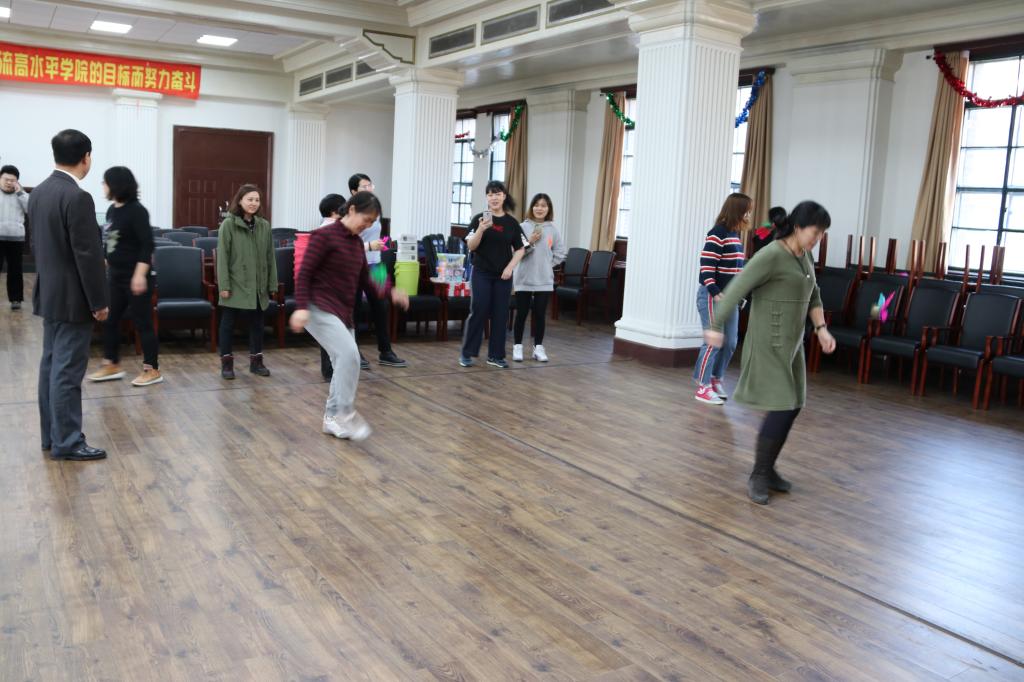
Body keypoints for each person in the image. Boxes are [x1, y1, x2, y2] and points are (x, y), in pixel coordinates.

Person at [704, 200, 837, 505]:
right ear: (798, 227)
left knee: (794, 404)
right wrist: (715, 325)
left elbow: (814, 295)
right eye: (815, 232)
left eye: (822, 234)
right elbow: (737, 288)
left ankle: (769, 468)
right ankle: (759, 474)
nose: (818, 239)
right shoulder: (771, 255)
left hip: (792, 345)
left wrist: (821, 329)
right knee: (781, 406)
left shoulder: (805, 256)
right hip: (768, 343)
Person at [289, 191, 409, 441]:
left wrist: (390, 290)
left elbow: (367, 279)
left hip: (342, 311)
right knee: (349, 356)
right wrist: (301, 307)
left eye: (372, 222)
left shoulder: (355, 243)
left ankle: (332, 417)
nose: (368, 225)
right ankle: (344, 414)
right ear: (352, 210)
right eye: (366, 219)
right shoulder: (324, 236)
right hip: (318, 306)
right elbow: (304, 273)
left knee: (343, 363)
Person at [30, 129, 109, 461]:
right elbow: (88, 256)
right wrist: (99, 302)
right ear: (86, 158)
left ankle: (52, 436)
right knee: (66, 372)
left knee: (51, 366)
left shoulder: (38, 192)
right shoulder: (78, 197)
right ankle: (68, 441)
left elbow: (35, 245)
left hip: (50, 293)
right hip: (74, 299)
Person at [88, 167, 162, 387]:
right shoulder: (112, 210)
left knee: (143, 322)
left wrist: (139, 275)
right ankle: (111, 364)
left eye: (105, 182)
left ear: (117, 185)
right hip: (116, 276)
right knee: (110, 319)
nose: (103, 186)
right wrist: (104, 262)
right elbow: (111, 242)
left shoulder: (137, 211)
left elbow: (147, 245)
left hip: (136, 276)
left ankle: (152, 369)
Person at [459, 180, 526, 369]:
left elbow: (521, 248)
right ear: (486, 198)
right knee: (478, 310)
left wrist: (510, 267)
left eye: (497, 194)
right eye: (490, 194)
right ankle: (467, 353)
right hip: (481, 273)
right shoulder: (479, 219)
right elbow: (471, 246)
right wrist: (481, 228)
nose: (494, 198)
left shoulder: (512, 223)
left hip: (503, 277)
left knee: (500, 314)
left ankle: (496, 356)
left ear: (504, 196)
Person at [693, 193, 752, 405]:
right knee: (714, 341)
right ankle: (703, 387)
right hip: (712, 296)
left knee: (731, 342)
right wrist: (714, 290)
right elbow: (707, 264)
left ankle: (715, 379)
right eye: (746, 211)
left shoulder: (734, 235)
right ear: (737, 210)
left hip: (730, 298)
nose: (748, 215)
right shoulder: (717, 233)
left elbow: (736, 268)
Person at [216, 183, 277, 379]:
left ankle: (256, 363)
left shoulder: (264, 225)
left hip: (258, 284)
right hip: (235, 283)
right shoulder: (228, 224)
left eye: (257, 200)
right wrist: (224, 285)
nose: (253, 203)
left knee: (257, 324)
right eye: (250, 199)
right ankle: (227, 364)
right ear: (240, 201)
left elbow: (270, 257)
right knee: (228, 324)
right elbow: (223, 258)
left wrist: (272, 284)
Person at [348, 173, 407, 370]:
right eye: (364, 186)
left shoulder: (375, 210)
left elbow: (377, 236)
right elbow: (349, 241)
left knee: (381, 307)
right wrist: (368, 246)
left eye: (370, 185)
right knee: (354, 310)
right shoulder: (351, 213)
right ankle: (354, 352)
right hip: (355, 265)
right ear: (354, 192)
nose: (369, 189)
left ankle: (386, 351)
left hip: (375, 265)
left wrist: (382, 245)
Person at [512, 193, 566, 362]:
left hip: (544, 279)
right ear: (532, 207)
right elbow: (515, 252)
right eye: (536, 205)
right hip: (524, 277)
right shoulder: (522, 227)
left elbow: (560, 253)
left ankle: (538, 348)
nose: (539, 208)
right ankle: (518, 347)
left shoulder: (553, 230)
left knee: (540, 315)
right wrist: (530, 242)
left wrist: (547, 265)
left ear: (548, 209)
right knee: (521, 314)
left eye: (543, 205)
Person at [0, 164, 29, 310]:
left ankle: (16, 299)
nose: (9, 182)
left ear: (17, 181)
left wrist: (20, 193)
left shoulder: (22, 194)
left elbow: (30, 209)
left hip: (16, 238)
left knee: (15, 270)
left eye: (12, 180)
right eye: (6, 179)